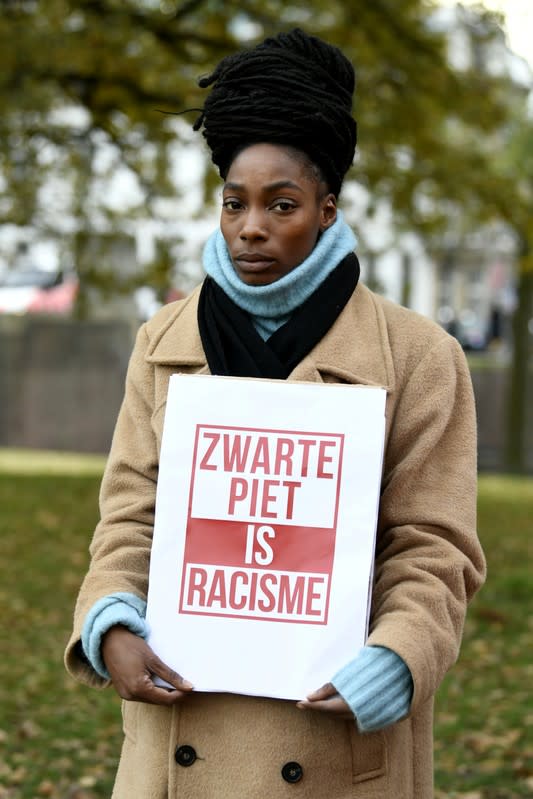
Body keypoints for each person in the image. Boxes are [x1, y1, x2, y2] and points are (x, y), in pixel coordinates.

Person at [65, 28, 486, 798]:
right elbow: (129, 516)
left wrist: (396, 656)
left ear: (326, 209)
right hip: (176, 736)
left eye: (281, 204)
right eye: (235, 203)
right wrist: (111, 619)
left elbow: (432, 548)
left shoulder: (419, 357)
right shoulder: (162, 339)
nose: (250, 226)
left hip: (333, 738)